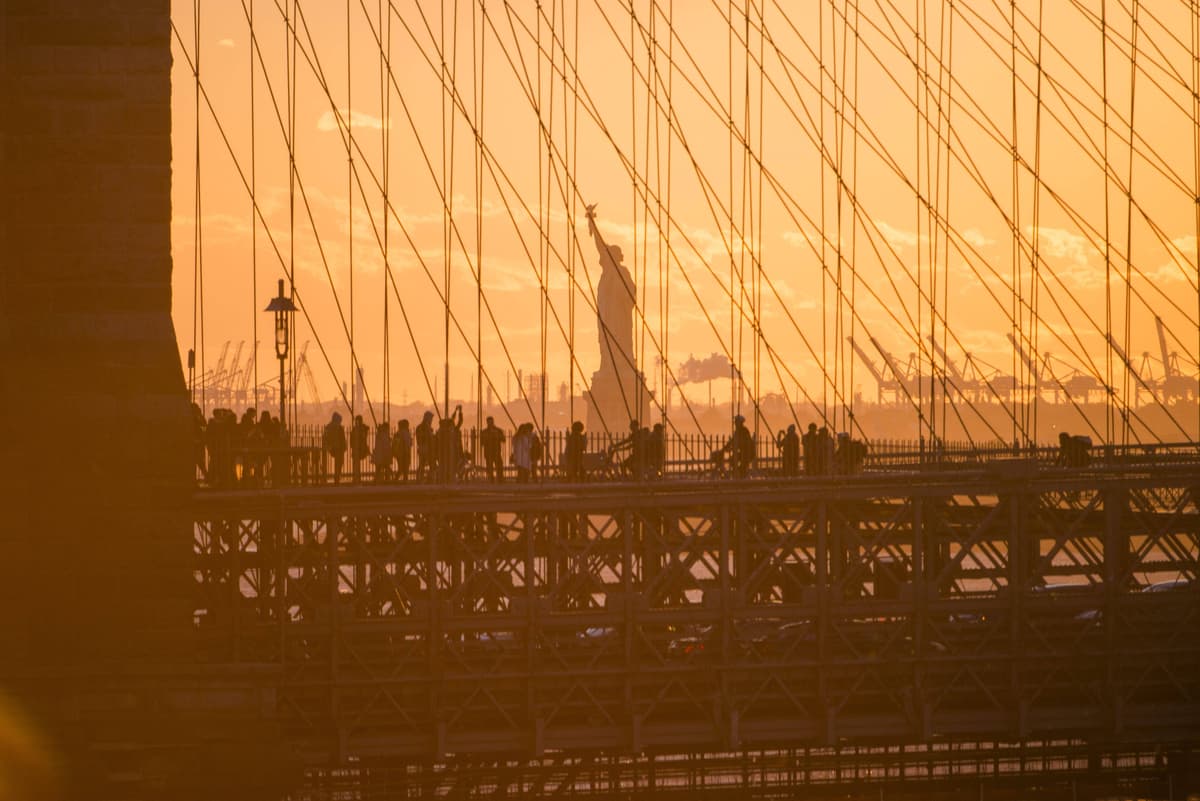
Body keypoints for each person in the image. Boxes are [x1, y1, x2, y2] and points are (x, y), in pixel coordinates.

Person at [436, 405, 465, 483]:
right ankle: (447, 478)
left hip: (455, 452)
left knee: (456, 465)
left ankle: (453, 477)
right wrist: (456, 412)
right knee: (447, 466)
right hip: (447, 452)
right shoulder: (443, 432)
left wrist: (458, 412)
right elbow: (455, 420)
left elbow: (459, 421)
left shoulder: (454, 430)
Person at [323, 412, 347, 483]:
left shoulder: (330, 427)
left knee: (339, 463)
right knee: (339, 463)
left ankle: (337, 476)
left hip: (337, 447)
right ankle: (337, 477)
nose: (340, 422)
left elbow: (325, 437)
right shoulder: (334, 427)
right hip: (337, 447)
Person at [480, 416, 505, 482]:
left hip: (496, 451)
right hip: (488, 452)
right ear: (487, 423)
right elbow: (481, 443)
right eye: (489, 422)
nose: (490, 423)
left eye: (491, 422)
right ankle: (491, 478)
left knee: (499, 465)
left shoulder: (498, 430)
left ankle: (500, 478)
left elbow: (503, 439)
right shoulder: (484, 432)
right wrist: (487, 438)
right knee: (489, 466)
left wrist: (497, 435)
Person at [414, 411, 436, 482]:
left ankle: (422, 478)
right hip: (426, 448)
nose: (431, 421)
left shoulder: (421, 427)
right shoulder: (424, 428)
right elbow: (427, 438)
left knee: (423, 464)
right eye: (430, 419)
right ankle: (426, 478)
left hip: (424, 448)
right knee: (429, 464)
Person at [350, 414, 370, 482]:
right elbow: (352, 438)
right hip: (357, 448)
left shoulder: (361, 428)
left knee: (356, 463)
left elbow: (366, 429)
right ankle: (356, 476)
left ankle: (356, 477)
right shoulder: (356, 428)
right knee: (356, 463)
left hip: (360, 448)